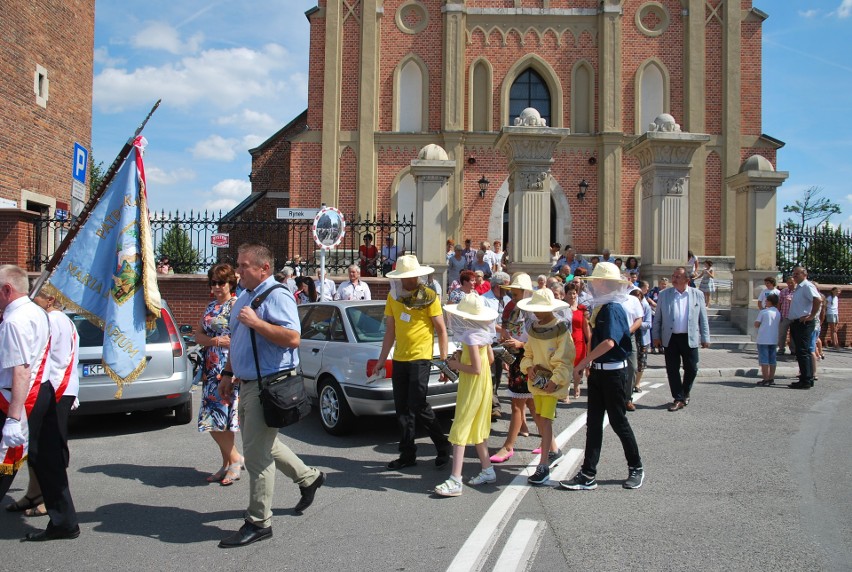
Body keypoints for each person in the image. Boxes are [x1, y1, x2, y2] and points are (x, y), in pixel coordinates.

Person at [217, 243, 325, 548]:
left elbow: (292, 338)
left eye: (244, 265)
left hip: (270, 385)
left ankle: (259, 521)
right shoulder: (244, 298)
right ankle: (309, 477)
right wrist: (228, 373)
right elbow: (237, 339)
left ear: (264, 268)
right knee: (265, 442)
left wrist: (257, 323)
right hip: (248, 382)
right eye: (238, 264)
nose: (238, 271)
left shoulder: (276, 295)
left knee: (256, 454)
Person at [0, 265, 79, 541]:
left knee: (4, 460)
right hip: (42, 392)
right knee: (48, 460)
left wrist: (12, 417)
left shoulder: (14, 320)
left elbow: (20, 369)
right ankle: (64, 522)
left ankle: (64, 523)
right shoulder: (37, 312)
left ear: (7, 290)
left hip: (19, 397)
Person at [561, 262, 644, 491]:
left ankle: (636, 466)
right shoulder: (604, 307)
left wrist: (584, 362)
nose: (593, 286)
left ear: (605, 284)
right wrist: (590, 363)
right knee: (594, 424)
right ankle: (588, 473)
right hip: (600, 372)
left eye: (597, 281)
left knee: (618, 422)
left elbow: (610, 342)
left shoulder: (613, 308)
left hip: (614, 373)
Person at [374, 255, 452, 470]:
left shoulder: (429, 296)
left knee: (418, 405)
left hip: (420, 357)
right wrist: (382, 360)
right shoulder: (393, 297)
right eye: (405, 277)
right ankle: (408, 454)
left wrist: (443, 361)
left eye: (412, 276)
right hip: (399, 358)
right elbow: (390, 331)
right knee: (402, 409)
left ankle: (443, 445)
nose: (409, 280)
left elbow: (441, 330)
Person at [433, 294, 498, 497]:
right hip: (483, 384)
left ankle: (455, 479)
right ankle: (487, 469)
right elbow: (490, 359)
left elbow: (476, 368)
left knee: (460, 426)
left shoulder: (470, 336)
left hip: (472, 384)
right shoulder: (482, 332)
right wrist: (463, 357)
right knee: (477, 425)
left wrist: (455, 365)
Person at [517, 289, 573, 485]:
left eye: (540, 309)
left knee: (546, 420)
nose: (537, 313)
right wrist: (528, 368)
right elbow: (528, 353)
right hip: (537, 382)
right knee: (539, 418)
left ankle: (543, 466)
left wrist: (555, 379)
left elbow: (565, 357)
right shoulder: (534, 327)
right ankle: (555, 452)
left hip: (551, 384)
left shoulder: (560, 328)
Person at [194, 264, 243, 486]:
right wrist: (215, 340)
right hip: (210, 367)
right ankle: (228, 463)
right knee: (214, 418)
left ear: (230, 284)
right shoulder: (211, 306)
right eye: (212, 282)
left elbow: (238, 339)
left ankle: (233, 461)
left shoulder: (236, 305)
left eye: (220, 282)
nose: (215, 287)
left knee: (220, 418)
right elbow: (198, 336)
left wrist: (233, 370)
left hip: (227, 367)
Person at [489, 273, 535, 464]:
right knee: (531, 403)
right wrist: (508, 344)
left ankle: (508, 446)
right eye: (513, 293)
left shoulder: (532, 311)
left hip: (526, 358)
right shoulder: (512, 307)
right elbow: (508, 329)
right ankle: (552, 445)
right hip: (516, 357)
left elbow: (539, 338)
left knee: (518, 403)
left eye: (516, 293)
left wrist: (520, 344)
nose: (513, 296)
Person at [652, 267, 710, 411]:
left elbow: (703, 318)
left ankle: (685, 392)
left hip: (689, 337)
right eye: (673, 276)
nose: (674, 278)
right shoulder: (664, 295)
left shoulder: (697, 295)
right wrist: (656, 336)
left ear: (687, 280)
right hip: (670, 338)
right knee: (672, 369)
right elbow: (658, 318)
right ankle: (678, 398)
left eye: (678, 276)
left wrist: (705, 337)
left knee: (692, 368)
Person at [787, 267, 821, 390]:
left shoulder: (807, 286)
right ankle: (805, 378)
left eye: (797, 274)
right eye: (793, 274)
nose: (794, 276)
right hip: (796, 322)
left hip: (804, 323)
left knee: (803, 351)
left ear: (804, 274)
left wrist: (811, 316)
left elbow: (817, 300)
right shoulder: (799, 287)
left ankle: (806, 380)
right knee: (800, 352)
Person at [566, 283, 591, 399]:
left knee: (578, 368)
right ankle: (565, 391)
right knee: (566, 367)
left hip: (579, 341)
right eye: (570, 293)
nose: (572, 295)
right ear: (565, 295)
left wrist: (589, 342)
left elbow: (586, 329)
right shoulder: (562, 309)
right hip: (566, 341)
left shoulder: (582, 309)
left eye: (574, 293)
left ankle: (576, 386)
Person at [754, 293, 780, 386]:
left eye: (767, 300)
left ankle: (765, 378)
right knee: (772, 359)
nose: (765, 302)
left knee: (764, 359)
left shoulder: (764, 312)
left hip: (763, 338)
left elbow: (756, 324)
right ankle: (771, 378)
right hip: (773, 338)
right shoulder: (778, 312)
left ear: (770, 302)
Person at [776, 276, 796, 355]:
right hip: (784, 315)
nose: (790, 284)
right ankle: (781, 349)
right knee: (782, 333)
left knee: (794, 334)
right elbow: (779, 303)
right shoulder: (784, 291)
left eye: (792, 282)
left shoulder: (798, 291)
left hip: (795, 316)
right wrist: (778, 313)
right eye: (788, 282)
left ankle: (793, 350)